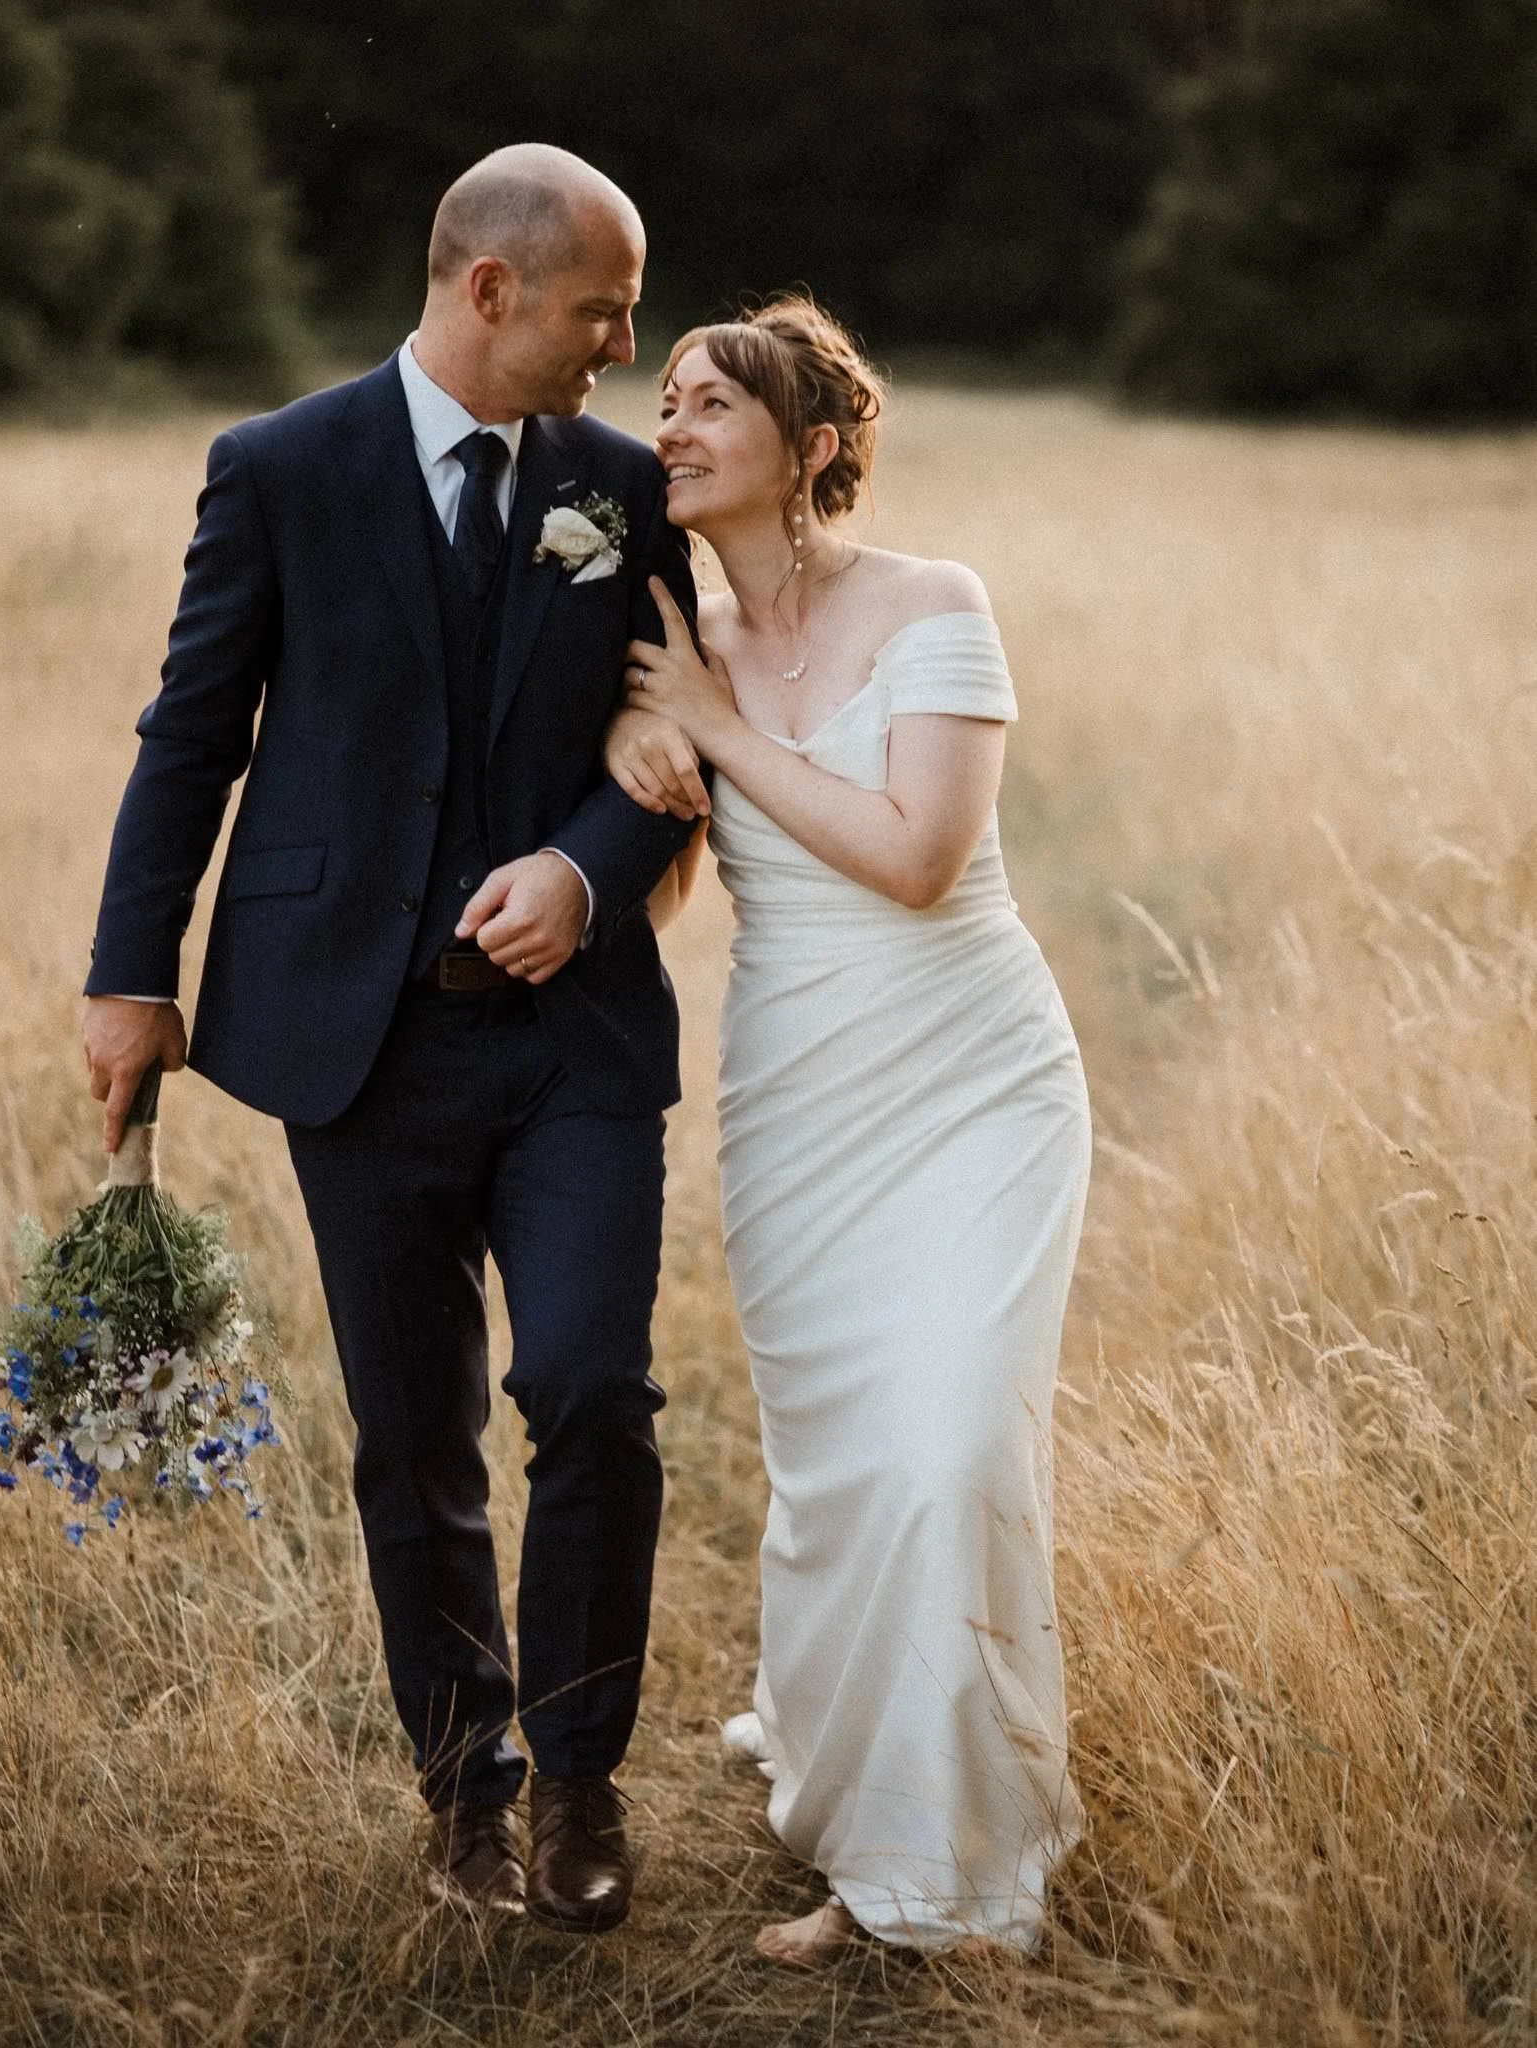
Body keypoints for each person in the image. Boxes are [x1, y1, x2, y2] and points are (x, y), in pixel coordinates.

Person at [80, 144, 701, 1934]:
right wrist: (133, 976)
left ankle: (582, 1782)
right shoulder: (278, 468)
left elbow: (679, 739)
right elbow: (189, 733)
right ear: (490, 288)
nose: (623, 342)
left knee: (589, 1387)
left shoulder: (621, 486)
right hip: (351, 1039)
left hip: (576, 1037)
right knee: (410, 1436)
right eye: (602, 306)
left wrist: (590, 872)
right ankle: (467, 1799)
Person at [605, 296, 1090, 1964]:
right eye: (660, 399)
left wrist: (719, 727)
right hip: (797, 1098)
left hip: (970, 1082)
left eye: (709, 403)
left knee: (948, 1450)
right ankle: (849, 1785)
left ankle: (942, 1883)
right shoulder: (672, 641)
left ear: (809, 450)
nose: (668, 426)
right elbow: (669, 887)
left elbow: (916, 857)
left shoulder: (932, 604)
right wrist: (637, 750)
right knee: (841, 1477)